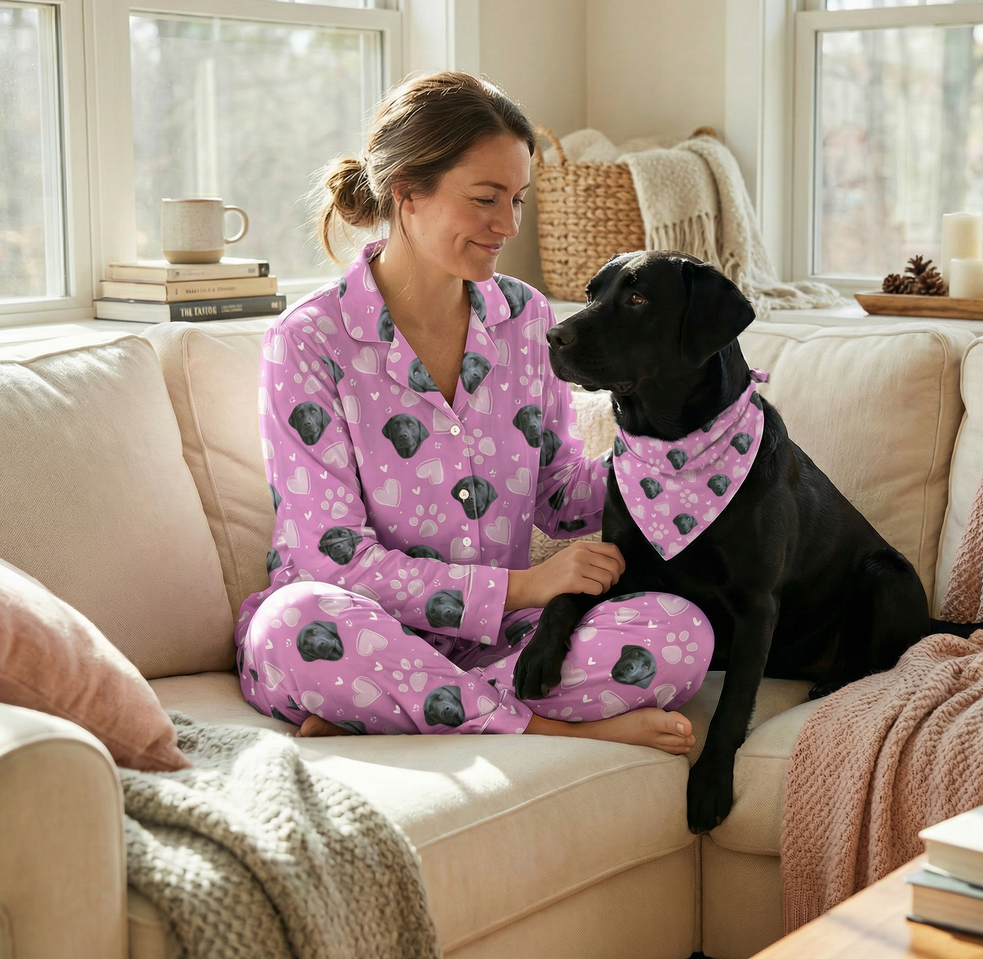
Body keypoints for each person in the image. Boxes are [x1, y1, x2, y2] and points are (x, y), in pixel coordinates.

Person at [236, 71, 713, 754]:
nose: (508, 226)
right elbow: (330, 560)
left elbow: (559, 494)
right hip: (356, 628)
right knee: (296, 625)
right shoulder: (310, 341)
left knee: (680, 632)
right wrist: (522, 586)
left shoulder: (525, 317)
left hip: (498, 643)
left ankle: (393, 711)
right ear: (407, 191)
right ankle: (544, 728)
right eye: (486, 199)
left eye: (517, 200)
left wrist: (679, 451)